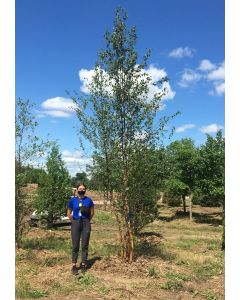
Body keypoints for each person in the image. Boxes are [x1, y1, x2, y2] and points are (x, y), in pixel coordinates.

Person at [67, 182, 94, 275]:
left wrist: (86, 220)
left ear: (85, 190)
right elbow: (68, 213)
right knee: (75, 245)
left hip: (86, 223)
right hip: (75, 223)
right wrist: (74, 221)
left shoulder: (89, 200)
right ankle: (74, 265)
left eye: (83, 189)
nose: (81, 190)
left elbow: (92, 213)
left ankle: (83, 264)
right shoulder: (72, 200)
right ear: (77, 189)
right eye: (80, 189)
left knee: (85, 244)